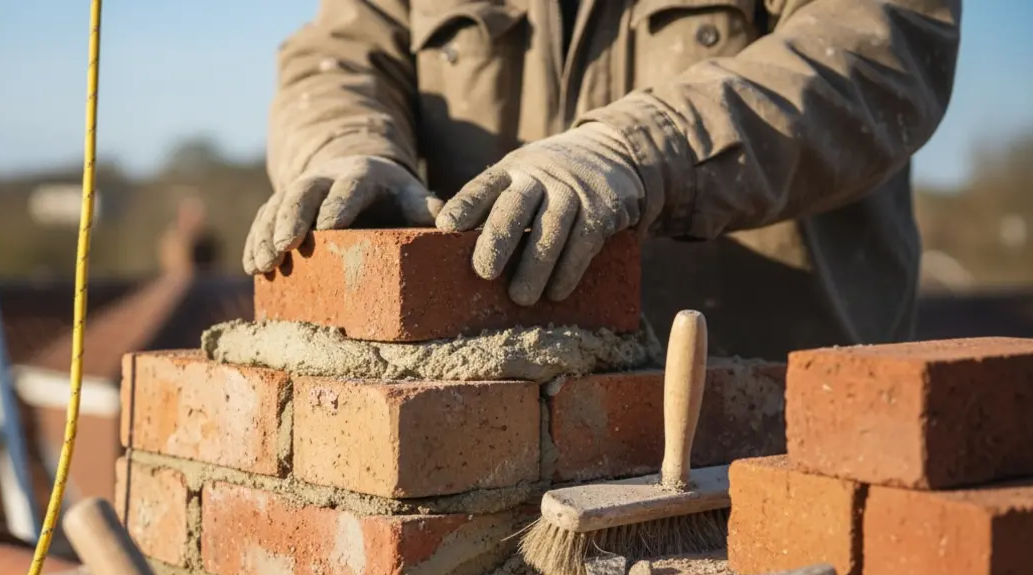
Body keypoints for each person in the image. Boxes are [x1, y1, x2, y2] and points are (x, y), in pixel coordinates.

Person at [242, 0, 961, 359]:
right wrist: (346, 146)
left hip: (776, 423)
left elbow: (879, 48)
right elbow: (339, 56)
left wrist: (637, 149)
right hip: (505, 449)